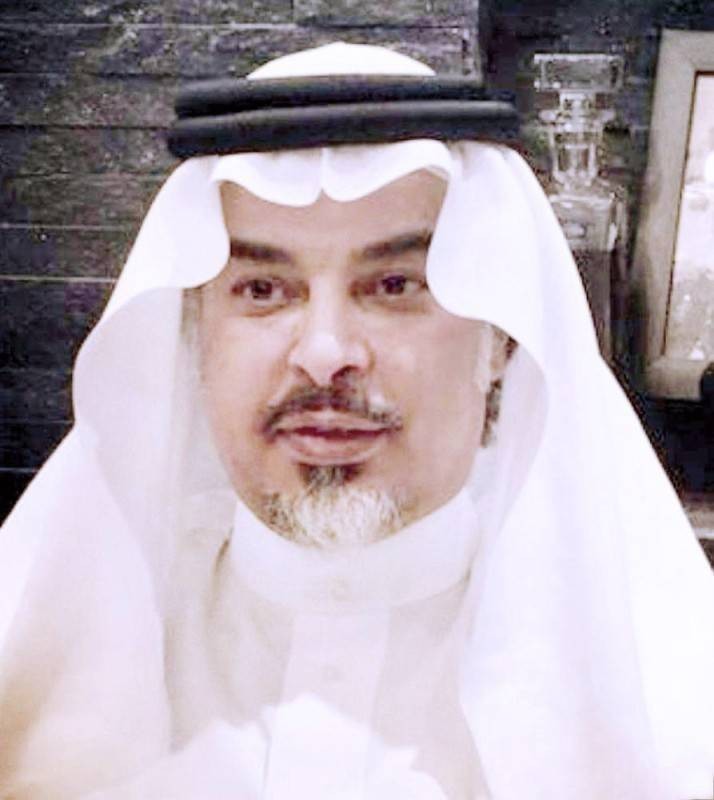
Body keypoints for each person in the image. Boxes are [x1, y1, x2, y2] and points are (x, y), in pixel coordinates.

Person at [1, 42, 713, 800]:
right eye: (263, 289)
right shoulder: (40, 645)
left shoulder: (668, 697)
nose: (324, 354)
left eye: (395, 285)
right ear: (195, 333)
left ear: (499, 343)